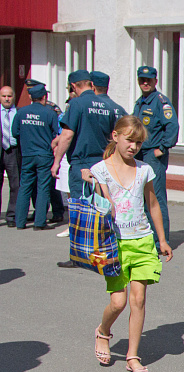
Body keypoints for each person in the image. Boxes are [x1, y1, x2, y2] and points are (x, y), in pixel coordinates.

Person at [85, 115, 173, 372]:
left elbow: (153, 204)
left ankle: (132, 355)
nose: (133, 147)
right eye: (129, 140)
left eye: (138, 143)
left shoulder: (145, 169)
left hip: (143, 240)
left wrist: (163, 239)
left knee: (138, 299)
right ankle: (103, 331)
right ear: (115, 136)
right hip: (114, 243)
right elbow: (104, 203)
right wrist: (98, 190)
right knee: (118, 302)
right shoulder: (100, 169)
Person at [52, 70, 122, 267]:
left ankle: (78, 257)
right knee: (101, 208)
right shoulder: (108, 105)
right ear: (90, 84)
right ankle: (104, 253)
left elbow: (67, 135)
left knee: (79, 209)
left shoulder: (76, 103)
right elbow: (112, 136)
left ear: (73, 86)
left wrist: (57, 161)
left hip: (81, 162)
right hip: (101, 162)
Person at [132, 66, 178, 246]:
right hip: (141, 154)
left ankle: (161, 241)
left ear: (155, 81)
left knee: (156, 198)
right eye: (142, 80)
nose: (145, 83)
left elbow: (172, 126)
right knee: (143, 197)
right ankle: (149, 236)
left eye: (148, 80)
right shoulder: (141, 101)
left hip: (153, 155)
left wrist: (163, 147)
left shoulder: (160, 102)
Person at [11, 83, 58, 230]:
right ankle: (39, 222)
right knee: (43, 187)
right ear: (44, 97)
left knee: (24, 186)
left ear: (31, 97)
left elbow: (15, 132)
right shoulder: (50, 113)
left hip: (27, 154)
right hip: (44, 154)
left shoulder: (21, 112)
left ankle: (20, 222)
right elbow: (55, 134)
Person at [1, 85, 20, 227]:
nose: (7, 99)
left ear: (13, 96)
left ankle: (12, 216)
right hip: (1, 150)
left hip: (13, 151)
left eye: (9, 96)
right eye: (4, 96)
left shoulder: (19, 112)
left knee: (15, 185)